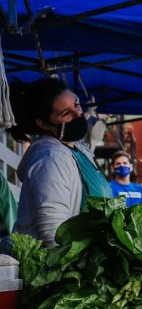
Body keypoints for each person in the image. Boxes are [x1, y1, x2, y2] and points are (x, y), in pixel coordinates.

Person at [10, 78, 112, 248]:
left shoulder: (80, 151)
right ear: (43, 123)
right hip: (64, 269)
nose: (78, 114)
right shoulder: (51, 158)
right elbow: (54, 234)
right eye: (66, 113)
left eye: (76, 105)